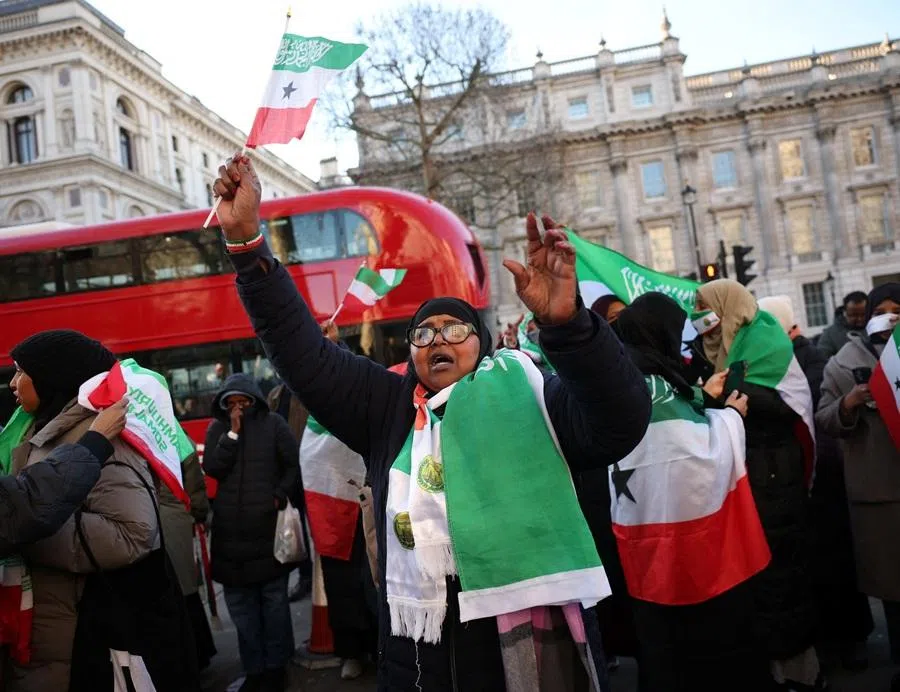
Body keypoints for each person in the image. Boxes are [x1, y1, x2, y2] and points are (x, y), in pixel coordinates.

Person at [212, 153, 651, 692]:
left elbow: (621, 421)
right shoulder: (387, 405)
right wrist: (247, 248)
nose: (437, 338)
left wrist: (571, 328)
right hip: (419, 655)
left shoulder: (533, 390)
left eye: (455, 329)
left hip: (526, 643)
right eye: (424, 332)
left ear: (483, 345)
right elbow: (301, 351)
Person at [5, 330, 189, 692]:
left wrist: (23, 530)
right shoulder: (39, 428)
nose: (12, 383)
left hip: (90, 639)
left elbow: (132, 533)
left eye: (19, 371)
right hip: (53, 628)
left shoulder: (103, 434)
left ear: (51, 375)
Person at [612, 292, 770, 692]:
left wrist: (706, 398)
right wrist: (732, 416)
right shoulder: (648, 382)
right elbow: (693, 455)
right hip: (688, 557)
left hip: (643, 547)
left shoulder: (631, 374)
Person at [695, 280, 822, 691]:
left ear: (728, 308)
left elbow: (787, 406)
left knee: (782, 581)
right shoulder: (721, 353)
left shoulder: (765, 341)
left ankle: (802, 676)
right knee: (761, 586)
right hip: (751, 482)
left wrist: (727, 394)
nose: (704, 322)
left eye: (708, 310)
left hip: (774, 482)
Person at [760, 295, 874, 669]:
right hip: (806, 478)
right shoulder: (790, 356)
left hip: (822, 476)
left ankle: (850, 639)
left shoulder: (809, 359)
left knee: (835, 564)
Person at [817, 283, 900, 673]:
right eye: (880, 310)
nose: (888, 317)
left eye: (896, 309)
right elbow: (824, 417)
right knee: (894, 593)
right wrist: (849, 403)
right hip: (878, 495)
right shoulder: (842, 361)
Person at [203, 373, 300, 692]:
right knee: (242, 610)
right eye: (231, 404)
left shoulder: (274, 425)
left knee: (273, 605)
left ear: (254, 400)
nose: (238, 409)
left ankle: (276, 667)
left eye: (243, 402)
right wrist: (232, 433)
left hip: (268, 532)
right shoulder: (219, 429)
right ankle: (254, 670)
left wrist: (281, 493)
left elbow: (292, 465)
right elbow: (214, 468)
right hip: (230, 538)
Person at [301, 321, 378, 681]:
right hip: (331, 504)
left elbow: (346, 377)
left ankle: (381, 647)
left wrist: (335, 348)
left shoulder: (359, 389)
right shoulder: (300, 392)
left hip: (366, 499)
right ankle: (352, 652)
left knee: (373, 583)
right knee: (343, 588)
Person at [158, 447, 217, 671]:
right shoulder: (172, 433)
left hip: (151, 523)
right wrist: (199, 513)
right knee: (186, 593)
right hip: (177, 519)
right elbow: (195, 484)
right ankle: (201, 654)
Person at [266, 379, 313, 603]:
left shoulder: (306, 388)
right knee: (298, 525)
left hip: (310, 466)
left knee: (317, 526)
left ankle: (319, 575)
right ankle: (306, 575)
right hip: (289, 471)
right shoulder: (275, 394)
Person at [818, 291, 868, 359]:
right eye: (854, 315)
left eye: (863, 314)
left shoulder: (878, 330)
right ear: (845, 313)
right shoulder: (830, 334)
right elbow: (821, 360)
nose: (859, 319)